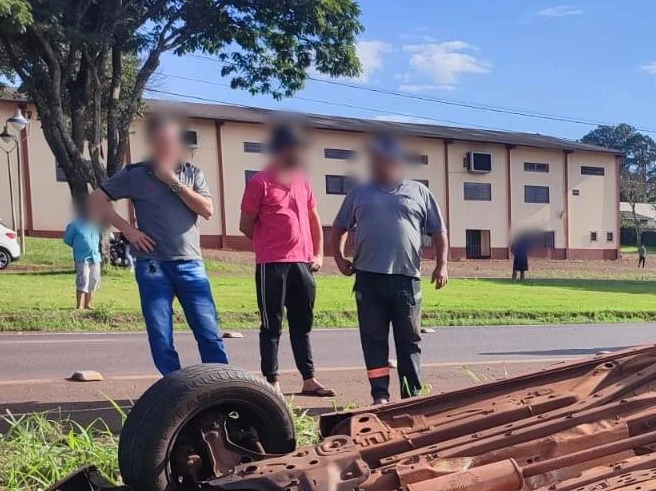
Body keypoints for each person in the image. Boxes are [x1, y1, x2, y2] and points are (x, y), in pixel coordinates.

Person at [90, 113, 228, 375]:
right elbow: (96, 199)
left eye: (172, 142)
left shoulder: (192, 173)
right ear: (153, 143)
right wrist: (128, 230)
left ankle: (221, 383)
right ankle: (172, 387)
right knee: (160, 334)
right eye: (162, 142)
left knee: (208, 330)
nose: (168, 147)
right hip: (152, 264)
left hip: (190, 263)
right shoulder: (135, 174)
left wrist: (172, 182)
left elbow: (207, 210)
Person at [328, 133, 449, 405]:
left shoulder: (419, 192)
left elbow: (438, 231)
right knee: (373, 339)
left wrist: (442, 265)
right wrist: (339, 258)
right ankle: (380, 395)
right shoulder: (359, 193)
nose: (377, 165)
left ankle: (410, 396)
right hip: (368, 278)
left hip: (406, 279)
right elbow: (339, 228)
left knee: (409, 340)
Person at [239, 124, 334, 398]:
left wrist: (318, 253)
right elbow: (245, 225)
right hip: (272, 264)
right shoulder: (259, 183)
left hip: (302, 264)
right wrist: (269, 244)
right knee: (272, 325)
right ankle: (272, 380)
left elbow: (314, 219)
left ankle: (309, 379)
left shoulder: (303, 180)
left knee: (302, 324)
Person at [63, 201, 103, 310]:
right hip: (82, 257)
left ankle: (88, 304)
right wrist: (79, 246)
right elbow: (67, 240)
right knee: (83, 279)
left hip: (95, 257)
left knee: (93, 279)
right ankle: (79, 305)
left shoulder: (94, 225)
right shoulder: (74, 225)